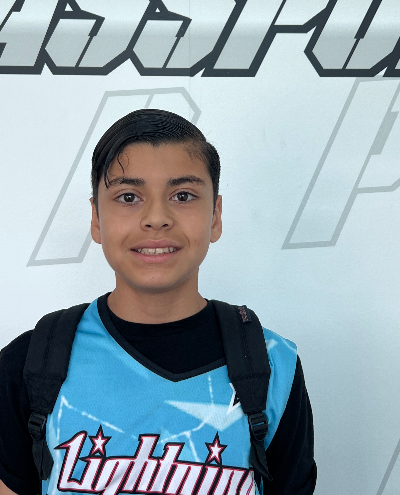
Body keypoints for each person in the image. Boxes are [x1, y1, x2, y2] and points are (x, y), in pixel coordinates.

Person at [0, 109, 317, 495]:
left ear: (215, 216)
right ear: (96, 218)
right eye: (128, 197)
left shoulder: (272, 364)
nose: (156, 218)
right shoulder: (29, 364)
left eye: (182, 196)